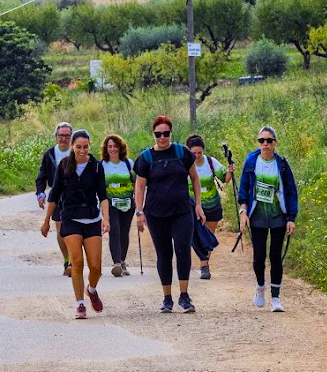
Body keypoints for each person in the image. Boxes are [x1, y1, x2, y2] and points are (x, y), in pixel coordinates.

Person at [40, 130, 109, 319]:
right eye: (78, 147)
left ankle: (92, 290)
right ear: (72, 146)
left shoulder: (96, 167)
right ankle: (80, 304)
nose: (82, 150)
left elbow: (103, 195)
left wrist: (106, 219)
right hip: (70, 217)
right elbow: (54, 195)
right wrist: (46, 220)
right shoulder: (64, 166)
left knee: (96, 267)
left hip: (92, 218)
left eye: (85, 147)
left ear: (89, 146)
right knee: (77, 262)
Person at [134, 116, 200, 313]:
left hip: (182, 211)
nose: (162, 138)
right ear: (153, 134)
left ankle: (184, 296)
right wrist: (139, 212)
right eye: (158, 134)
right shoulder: (146, 158)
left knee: (182, 249)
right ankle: (167, 298)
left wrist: (198, 204)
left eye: (166, 133)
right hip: (155, 213)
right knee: (164, 254)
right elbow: (140, 185)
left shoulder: (183, 153)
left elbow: (195, 179)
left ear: (171, 133)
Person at [237, 126, 298, 313]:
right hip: (257, 216)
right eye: (261, 140)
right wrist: (243, 213)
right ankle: (260, 286)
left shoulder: (282, 165)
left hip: (278, 216)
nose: (265, 144)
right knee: (259, 257)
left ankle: (276, 298)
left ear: (275, 143)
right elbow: (244, 189)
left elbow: (290, 192)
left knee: (275, 256)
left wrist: (291, 218)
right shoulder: (251, 161)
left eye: (269, 141)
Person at [186, 134, 233, 280]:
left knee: (208, 237)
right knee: (195, 236)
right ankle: (199, 263)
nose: (197, 156)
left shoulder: (211, 162)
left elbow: (225, 180)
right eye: (194, 153)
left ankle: (204, 265)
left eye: (200, 153)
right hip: (193, 206)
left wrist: (230, 171)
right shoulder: (184, 165)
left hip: (212, 205)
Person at [34, 122, 75, 276]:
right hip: (57, 197)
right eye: (61, 135)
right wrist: (41, 193)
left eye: (67, 136)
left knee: (73, 229)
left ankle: (73, 261)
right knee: (61, 230)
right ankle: (67, 260)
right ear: (56, 137)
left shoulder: (77, 152)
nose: (64, 139)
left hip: (75, 197)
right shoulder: (50, 154)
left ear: (72, 137)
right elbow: (41, 176)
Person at [100, 135, 136, 277]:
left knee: (124, 232)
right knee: (114, 230)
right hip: (110, 203)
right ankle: (116, 264)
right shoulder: (102, 165)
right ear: (106, 149)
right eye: (110, 147)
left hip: (127, 203)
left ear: (120, 148)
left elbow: (135, 182)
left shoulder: (128, 164)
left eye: (115, 146)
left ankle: (122, 261)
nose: (113, 149)